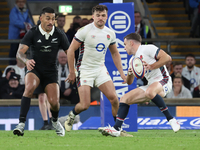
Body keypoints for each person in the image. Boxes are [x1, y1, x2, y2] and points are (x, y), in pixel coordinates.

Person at [64, 5, 132, 137]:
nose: (100, 18)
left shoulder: (110, 33)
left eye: (103, 15)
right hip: (84, 70)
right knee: (84, 105)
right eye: (98, 15)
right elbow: (71, 50)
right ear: (93, 16)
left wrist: (122, 73)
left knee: (114, 99)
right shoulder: (84, 31)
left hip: (100, 69)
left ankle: (117, 129)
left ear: (107, 17)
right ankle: (72, 115)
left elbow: (115, 53)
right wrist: (72, 71)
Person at [98, 33, 180, 137]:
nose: (124, 47)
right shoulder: (133, 60)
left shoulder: (147, 48)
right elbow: (129, 82)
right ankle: (117, 129)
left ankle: (171, 119)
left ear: (131, 43)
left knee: (150, 91)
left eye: (125, 44)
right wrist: (129, 74)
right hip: (151, 86)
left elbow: (167, 58)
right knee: (124, 98)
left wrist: (151, 66)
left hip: (163, 80)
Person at [13, 7, 70, 137]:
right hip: (34, 68)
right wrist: (26, 61)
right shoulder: (33, 32)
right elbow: (19, 53)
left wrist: (73, 71)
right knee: (29, 88)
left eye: (53, 19)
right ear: (41, 19)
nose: (51, 21)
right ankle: (21, 124)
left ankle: (54, 122)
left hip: (51, 71)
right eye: (48, 18)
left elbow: (70, 53)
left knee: (54, 103)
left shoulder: (59, 34)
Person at [8, 0, 33, 65]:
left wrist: (28, 24)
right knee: (13, 51)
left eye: (22, 2)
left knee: (22, 52)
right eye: (19, 2)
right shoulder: (13, 11)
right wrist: (25, 24)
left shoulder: (26, 11)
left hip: (23, 36)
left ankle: (21, 66)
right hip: (15, 35)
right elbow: (15, 21)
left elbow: (30, 21)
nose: (21, 3)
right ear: (16, 3)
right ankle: (12, 65)